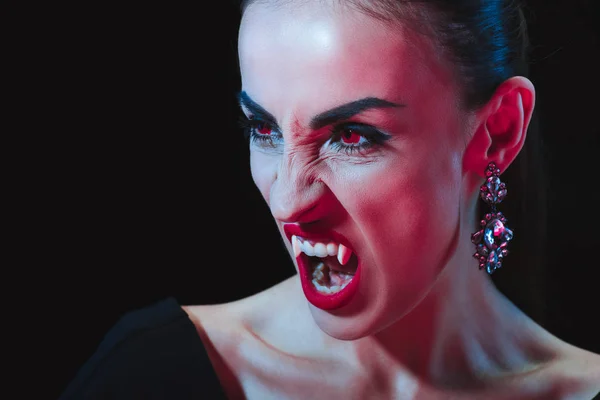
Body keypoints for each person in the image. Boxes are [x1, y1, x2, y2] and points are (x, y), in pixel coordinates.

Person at [60, 0, 600, 399]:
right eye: (264, 130)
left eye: (352, 136)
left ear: (497, 132)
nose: (289, 202)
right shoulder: (153, 375)